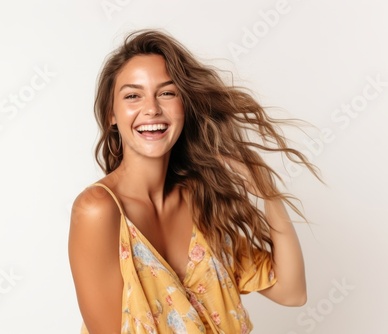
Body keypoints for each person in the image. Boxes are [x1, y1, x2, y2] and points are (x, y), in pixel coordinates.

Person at [68, 29, 319, 334]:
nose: (152, 109)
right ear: (111, 113)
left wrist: (268, 193)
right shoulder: (98, 210)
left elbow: (292, 292)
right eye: (133, 95)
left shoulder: (203, 202)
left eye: (167, 92)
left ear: (184, 105)